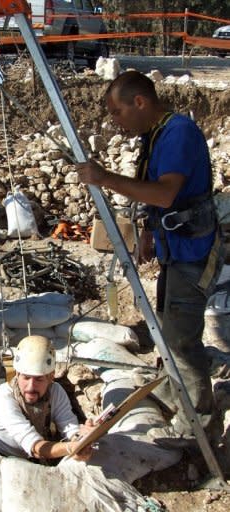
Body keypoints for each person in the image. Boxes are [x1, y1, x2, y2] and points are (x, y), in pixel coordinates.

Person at [76, 71, 222, 446]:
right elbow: (157, 196)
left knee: (181, 339)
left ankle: (197, 426)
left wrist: (104, 177)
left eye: (118, 112)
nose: (116, 121)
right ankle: (178, 395)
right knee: (168, 326)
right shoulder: (155, 137)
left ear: (139, 102)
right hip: (175, 248)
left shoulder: (178, 134)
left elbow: (166, 195)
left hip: (193, 251)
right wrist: (148, 233)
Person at [0, 335, 94, 462]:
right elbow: (36, 447)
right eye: (26, 377)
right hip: (8, 459)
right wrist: (72, 448)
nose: (31, 386)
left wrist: (80, 438)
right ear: (17, 374)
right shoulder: (3, 399)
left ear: (51, 377)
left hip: (42, 451)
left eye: (39, 379)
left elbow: (68, 425)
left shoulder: (55, 391)